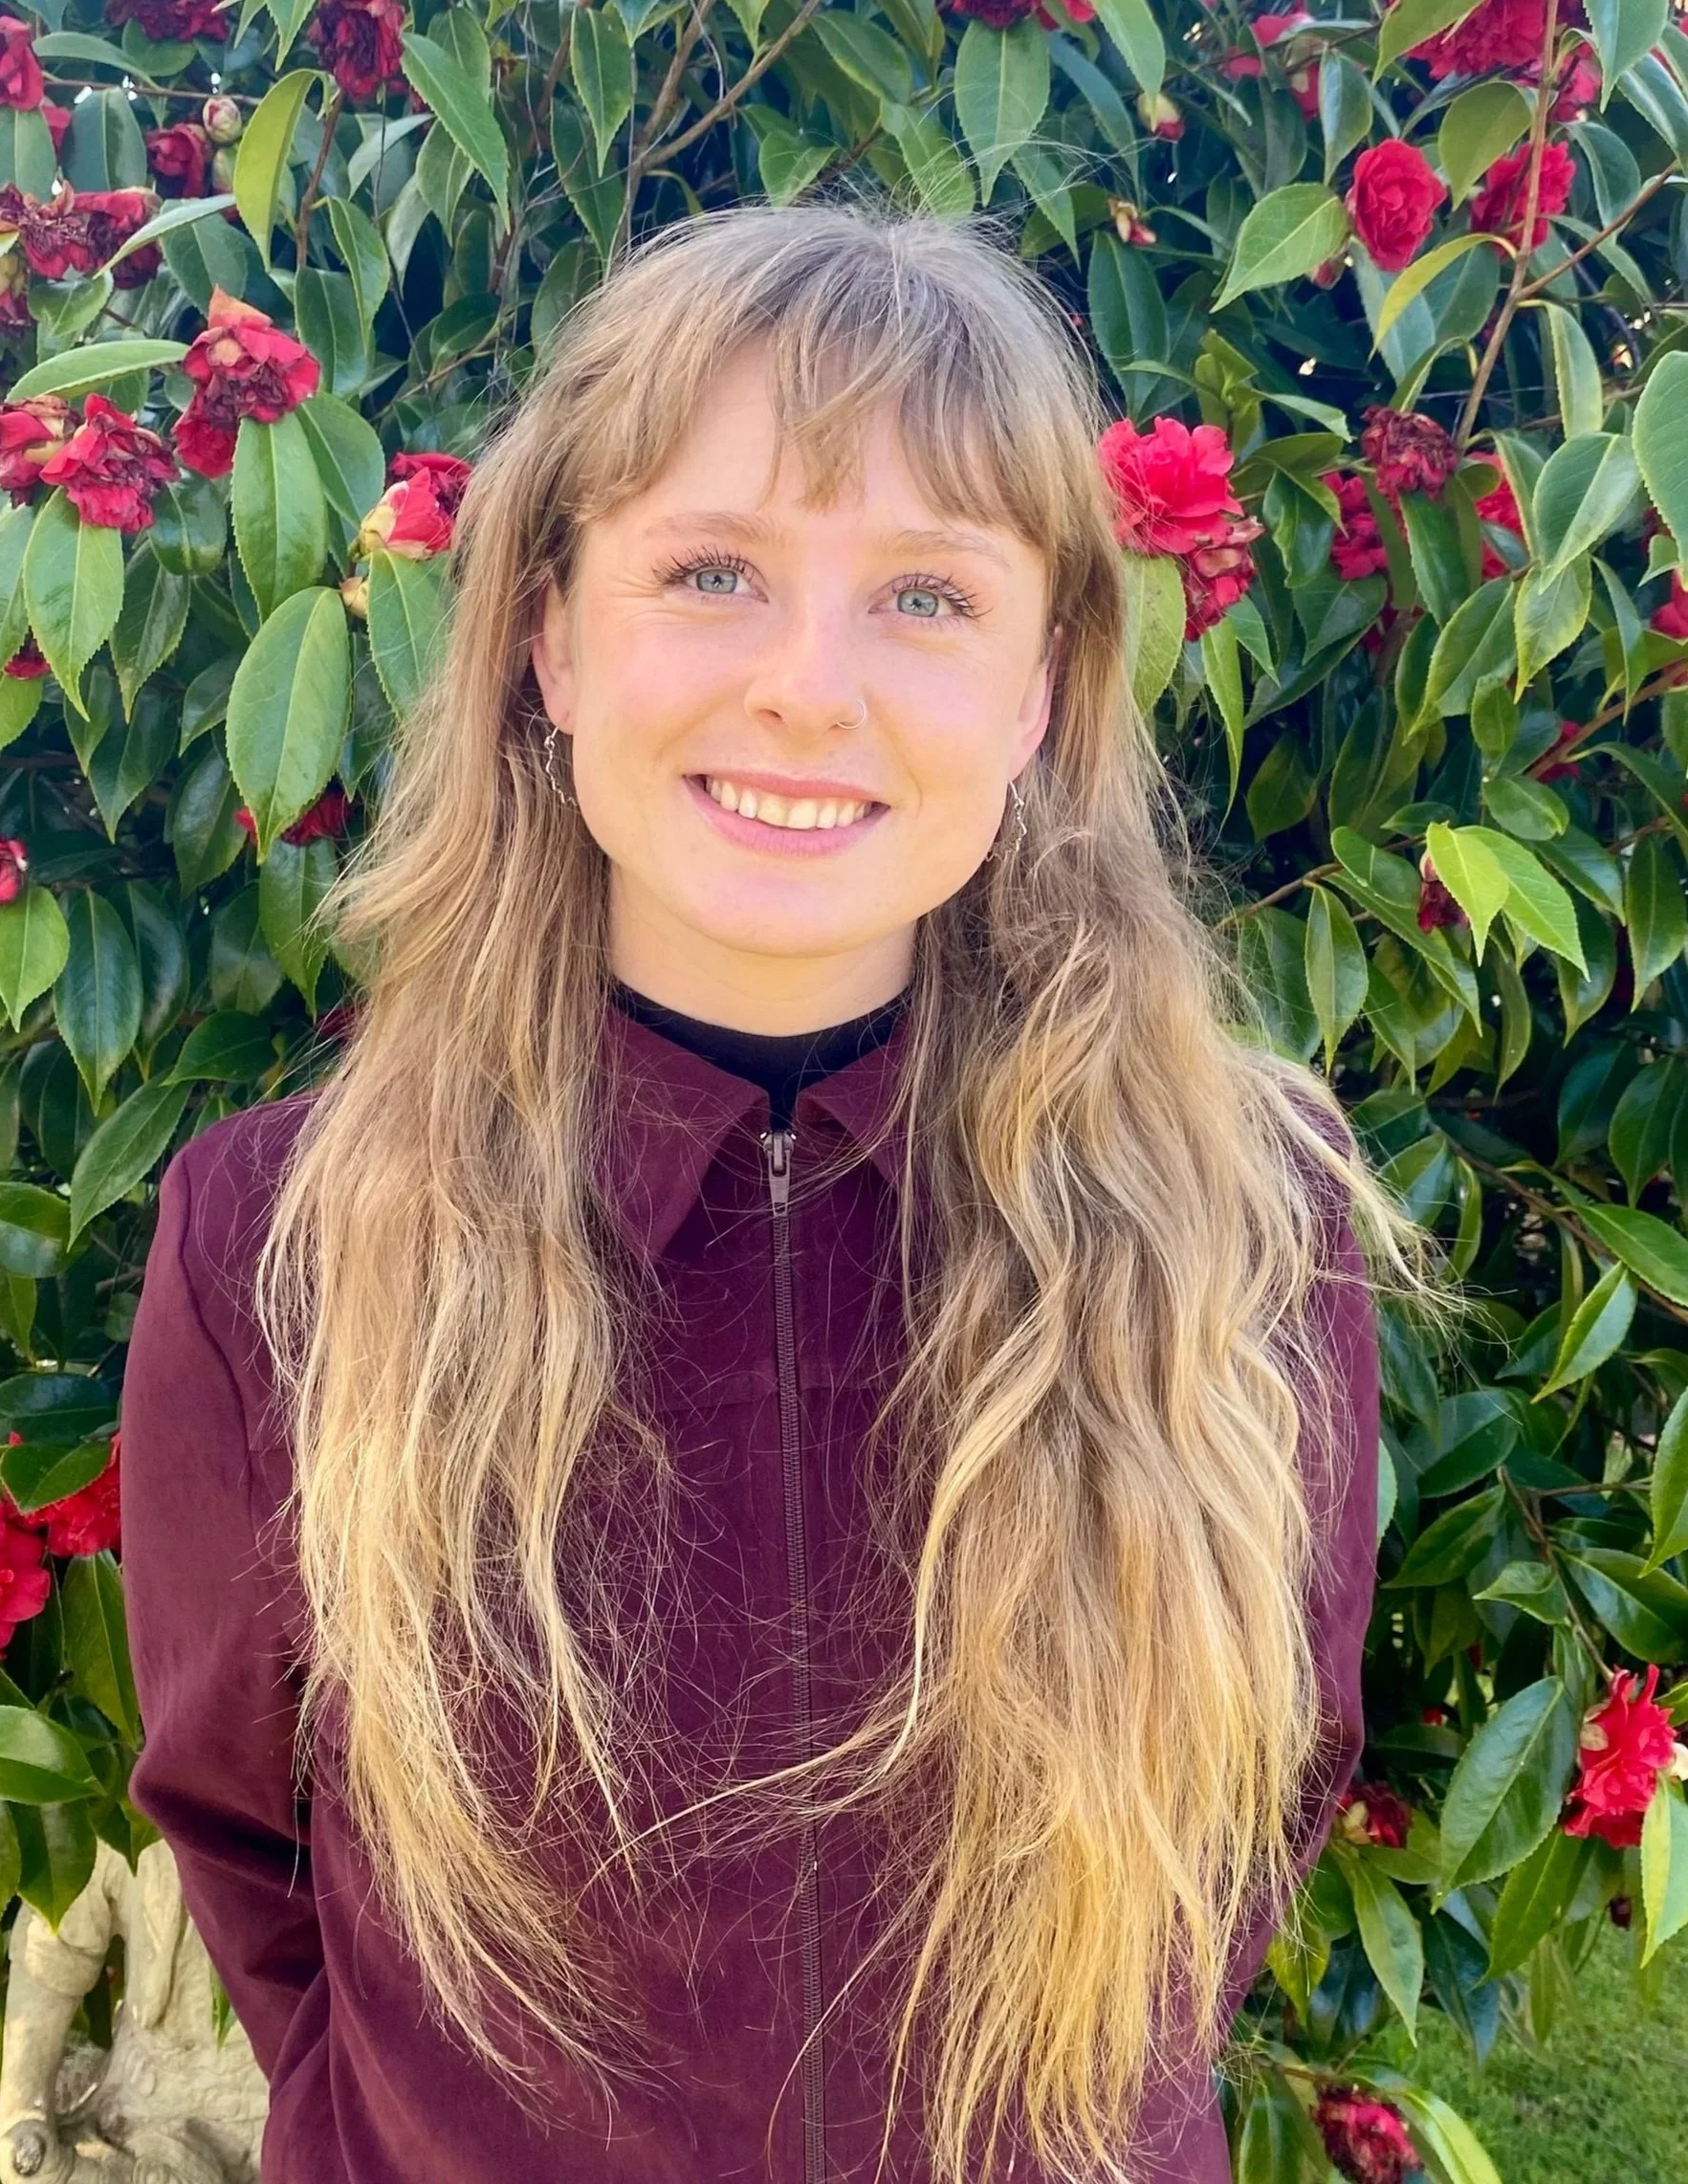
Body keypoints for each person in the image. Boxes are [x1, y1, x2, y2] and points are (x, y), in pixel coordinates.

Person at [119, 202, 1452, 2184]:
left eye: (925, 595)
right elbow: (253, 1840)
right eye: (714, 569)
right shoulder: (282, 1242)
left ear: (1037, 689)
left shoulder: (1243, 1228)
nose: (808, 689)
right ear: (556, 635)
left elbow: (1256, 1804)